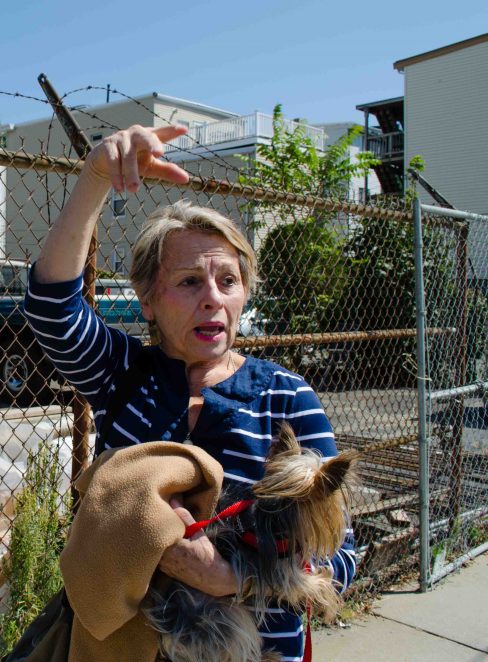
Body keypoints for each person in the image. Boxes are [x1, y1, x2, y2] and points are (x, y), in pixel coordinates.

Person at [24, 124, 356, 661]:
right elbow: (51, 310)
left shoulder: (285, 396)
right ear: (147, 300)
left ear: (244, 293)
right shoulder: (124, 372)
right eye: (188, 282)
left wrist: (234, 577)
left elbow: (343, 553)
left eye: (228, 281)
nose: (212, 299)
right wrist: (94, 179)